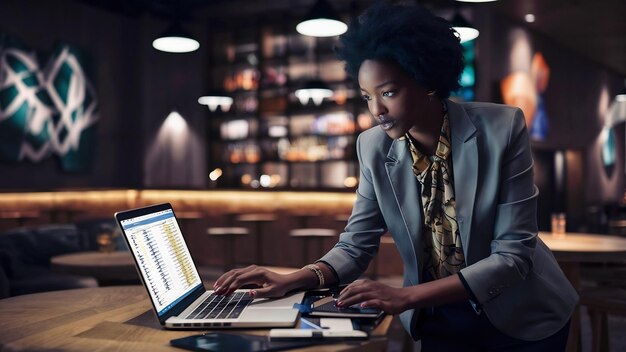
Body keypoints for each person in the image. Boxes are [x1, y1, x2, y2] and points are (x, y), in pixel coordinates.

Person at [214, 2, 578, 350]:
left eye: (388, 92)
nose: (377, 110)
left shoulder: (502, 127)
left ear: (427, 80)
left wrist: (406, 296)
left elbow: (513, 257)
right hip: (441, 317)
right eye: (367, 96)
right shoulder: (372, 147)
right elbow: (355, 245)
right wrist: (294, 279)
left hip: (522, 315)